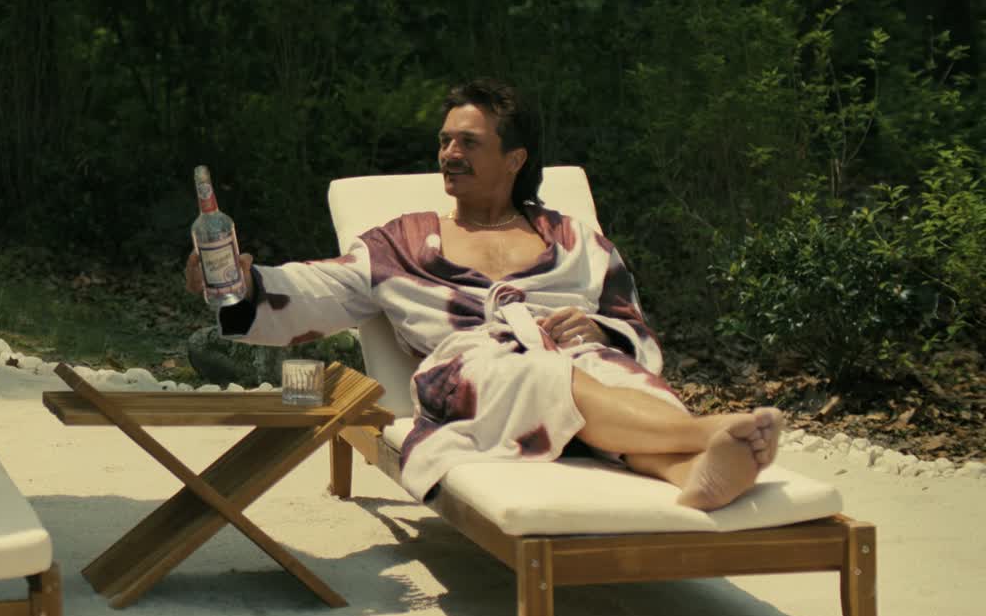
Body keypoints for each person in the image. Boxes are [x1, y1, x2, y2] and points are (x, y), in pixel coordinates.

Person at [184, 79, 781, 510]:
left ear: (514, 158)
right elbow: (309, 290)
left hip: (580, 367)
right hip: (472, 377)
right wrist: (237, 287)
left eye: (468, 143)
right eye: (445, 141)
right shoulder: (402, 244)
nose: (449, 154)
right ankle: (706, 432)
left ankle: (692, 473)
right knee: (541, 377)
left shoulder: (575, 241)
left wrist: (603, 331)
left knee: (621, 382)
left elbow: (635, 329)